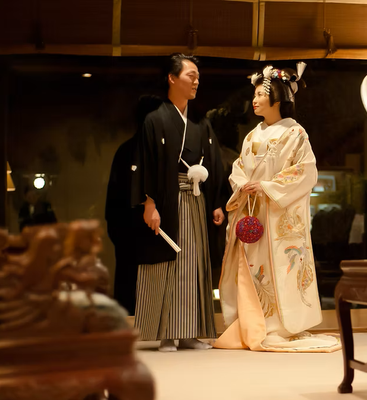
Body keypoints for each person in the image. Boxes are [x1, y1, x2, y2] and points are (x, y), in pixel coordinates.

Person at [215, 63, 339, 353]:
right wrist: (243, 184)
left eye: (260, 94)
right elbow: (238, 167)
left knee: (280, 268)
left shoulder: (295, 133)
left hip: (277, 214)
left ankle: (279, 327)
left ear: (277, 99)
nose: (255, 100)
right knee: (251, 268)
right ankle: (252, 323)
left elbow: (306, 171)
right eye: (255, 95)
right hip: (253, 211)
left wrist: (267, 186)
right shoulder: (252, 135)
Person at [131, 54, 228, 352]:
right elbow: (146, 162)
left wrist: (216, 202)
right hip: (166, 199)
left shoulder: (201, 122)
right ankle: (166, 334)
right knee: (167, 263)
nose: (196, 81)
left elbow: (214, 162)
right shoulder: (155, 119)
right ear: (172, 78)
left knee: (194, 263)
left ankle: (190, 332)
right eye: (190, 75)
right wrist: (149, 204)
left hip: (195, 199)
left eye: (198, 77)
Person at [105, 95, 163, 314]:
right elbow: (115, 199)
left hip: (145, 231)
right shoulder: (129, 151)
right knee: (133, 286)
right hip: (131, 231)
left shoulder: (161, 151)